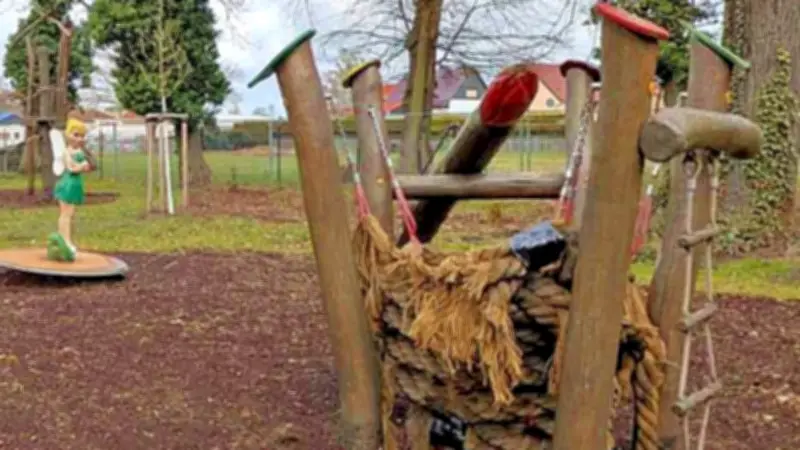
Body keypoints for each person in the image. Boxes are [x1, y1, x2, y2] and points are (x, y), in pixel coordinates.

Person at [47, 118, 92, 262]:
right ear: (68, 135)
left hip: (76, 184)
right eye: (76, 135)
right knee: (65, 213)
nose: (79, 139)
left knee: (70, 213)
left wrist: (84, 166)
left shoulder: (79, 151)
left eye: (82, 136)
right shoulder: (66, 152)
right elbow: (72, 168)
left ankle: (66, 239)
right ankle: (65, 239)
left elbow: (85, 165)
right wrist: (82, 166)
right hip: (67, 183)